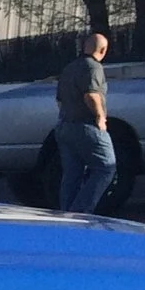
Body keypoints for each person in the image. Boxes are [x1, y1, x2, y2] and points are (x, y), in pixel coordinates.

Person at [53, 32, 114, 213]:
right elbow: (91, 95)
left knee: (72, 174)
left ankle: (67, 213)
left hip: (65, 126)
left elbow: (59, 100)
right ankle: (80, 212)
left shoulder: (69, 68)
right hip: (87, 126)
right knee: (106, 167)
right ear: (103, 50)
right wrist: (100, 117)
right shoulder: (93, 67)